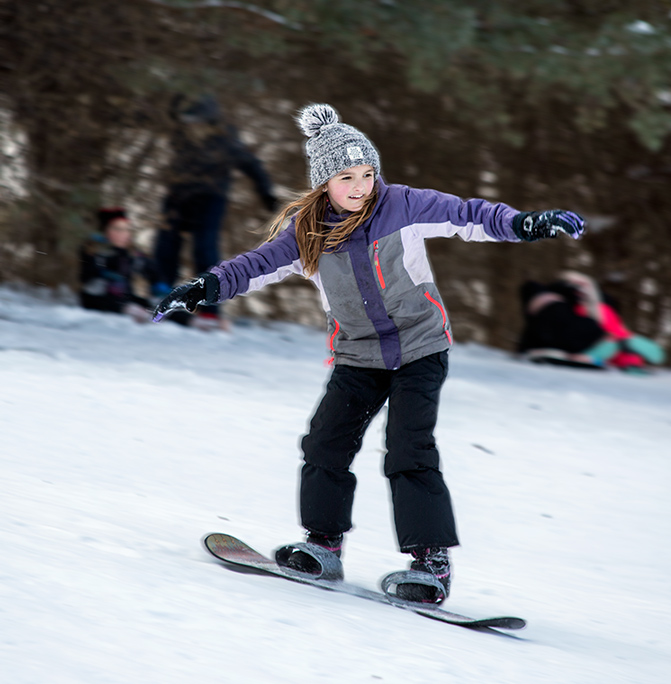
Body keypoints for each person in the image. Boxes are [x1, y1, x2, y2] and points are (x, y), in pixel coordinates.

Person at [152, 103, 584, 604]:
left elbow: (469, 214)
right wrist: (204, 287)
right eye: (345, 176)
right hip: (358, 355)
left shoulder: (402, 204)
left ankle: (431, 563)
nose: (360, 186)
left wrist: (525, 224)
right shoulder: (306, 230)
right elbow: (256, 264)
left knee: (409, 451)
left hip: (420, 348)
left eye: (367, 173)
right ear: (323, 182)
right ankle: (323, 544)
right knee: (325, 444)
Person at [153, 94, 278, 327]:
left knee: (205, 248)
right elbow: (166, 115)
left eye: (195, 122)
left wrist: (266, 193)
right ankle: (161, 290)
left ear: (208, 121)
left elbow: (251, 164)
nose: (190, 127)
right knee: (166, 242)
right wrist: (176, 97)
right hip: (178, 193)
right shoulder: (180, 132)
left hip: (210, 197)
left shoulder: (226, 140)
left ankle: (210, 305)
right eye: (186, 122)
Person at [518, 271, 665, 371]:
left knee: (614, 341)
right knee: (616, 341)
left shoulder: (572, 304)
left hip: (557, 335)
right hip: (584, 338)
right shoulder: (599, 309)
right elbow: (655, 354)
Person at [79, 207, 158, 322]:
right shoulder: (95, 250)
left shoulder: (131, 254)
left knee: (159, 304)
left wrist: (158, 283)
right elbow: (85, 277)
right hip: (99, 299)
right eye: (117, 229)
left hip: (125, 298)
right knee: (121, 301)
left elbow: (151, 270)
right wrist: (102, 273)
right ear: (106, 231)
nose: (123, 234)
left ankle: (188, 321)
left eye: (126, 230)